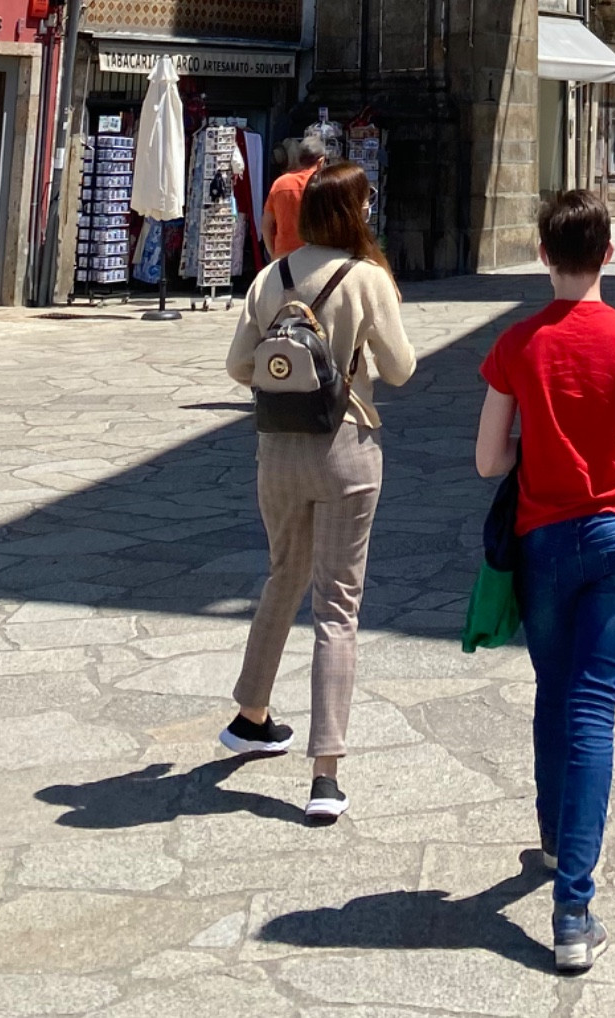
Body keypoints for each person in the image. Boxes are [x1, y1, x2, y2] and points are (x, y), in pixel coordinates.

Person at [474, 189, 615, 975]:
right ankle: (573, 906)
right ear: (608, 255)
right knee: (593, 709)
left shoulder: (517, 345)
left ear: (542, 256)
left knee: (553, 691)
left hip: (542, 538)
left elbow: (489, 461)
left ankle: (558, 833)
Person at [222, 162, 416, 823]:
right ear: (353, 211)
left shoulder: (270, 277)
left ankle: (251, 714)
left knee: (284, 576)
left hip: (277, 450)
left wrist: (287, 367)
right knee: (337, 608)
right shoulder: (367, 279)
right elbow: (402, 367)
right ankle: (325, 773)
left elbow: (236, 364)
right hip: (346, 451)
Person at [262, 131, 329, 259]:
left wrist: (273, 253)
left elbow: (266, 225)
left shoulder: (280, 183)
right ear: (321, 161)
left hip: (283, 256)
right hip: (315, 257)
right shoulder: (325, 185)